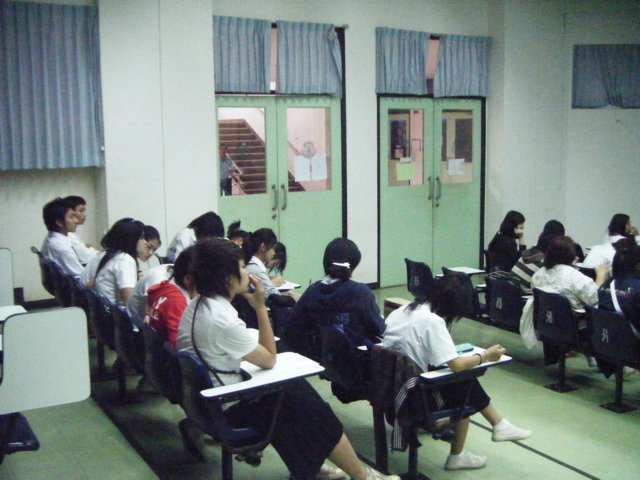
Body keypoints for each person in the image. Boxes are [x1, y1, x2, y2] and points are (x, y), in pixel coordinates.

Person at [175, 238, 399, 480]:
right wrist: (260, 307)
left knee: (292, 396)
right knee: (310, 407)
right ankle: (362, 476)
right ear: (227, 278)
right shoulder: (221, 318)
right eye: (241, 267)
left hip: (207, 405)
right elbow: (269, 358)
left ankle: (310, 468)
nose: (247, 272)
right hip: (227, 410)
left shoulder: (197, 307)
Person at [382, 274, 532, 471]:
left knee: (457, 378)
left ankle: (499, 424)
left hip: (388, 385)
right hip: (413, 396)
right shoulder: (433, 321)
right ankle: (460, 454)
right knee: (464, 383)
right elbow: (457, 365)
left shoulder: (403, 310)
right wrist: (486, 355)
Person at [286, 238, 384, 350]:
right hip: (356, 358)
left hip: (317, 357)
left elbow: (292, 327)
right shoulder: (361, 293)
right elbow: (379, 329)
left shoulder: (312, 291)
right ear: (352, 265)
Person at [532, 236, 608, 310]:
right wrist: (600, 275)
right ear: (570, 255)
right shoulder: (575, 277)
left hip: (545, 317)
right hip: (573, 317)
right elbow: (595, 299)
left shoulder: (537, 274)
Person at [81, 218, 146, 305]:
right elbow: (130, 302)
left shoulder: (102, 255)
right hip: (113, 311)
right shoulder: (125, 260)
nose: (145, 242)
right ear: (131, 240)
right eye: (141, 238)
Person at [144, 247, 196, 347]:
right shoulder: (177, 303)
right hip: (167, 355)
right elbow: (180, 345)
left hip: (153, 350)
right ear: (188, 279)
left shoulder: (162, 288)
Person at [244, 228, 299, 302]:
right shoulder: (256, 269)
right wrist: (293, 298)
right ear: (263, 247)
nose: (274, 253)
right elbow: (273, 296)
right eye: (273, 248)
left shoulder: (253, 265)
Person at [41, 197, 84, 278]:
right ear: (59, 222)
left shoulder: (54, 239)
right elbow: (82, 279)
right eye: (71, 217)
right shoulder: (61, 247)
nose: (76, 221)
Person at [64, 195, 99, 264]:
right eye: (81, 211)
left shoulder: (70, 233)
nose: (85, 215)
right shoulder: (68, 235)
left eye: (84, 211)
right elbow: (87, 257)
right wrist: (92, 249)